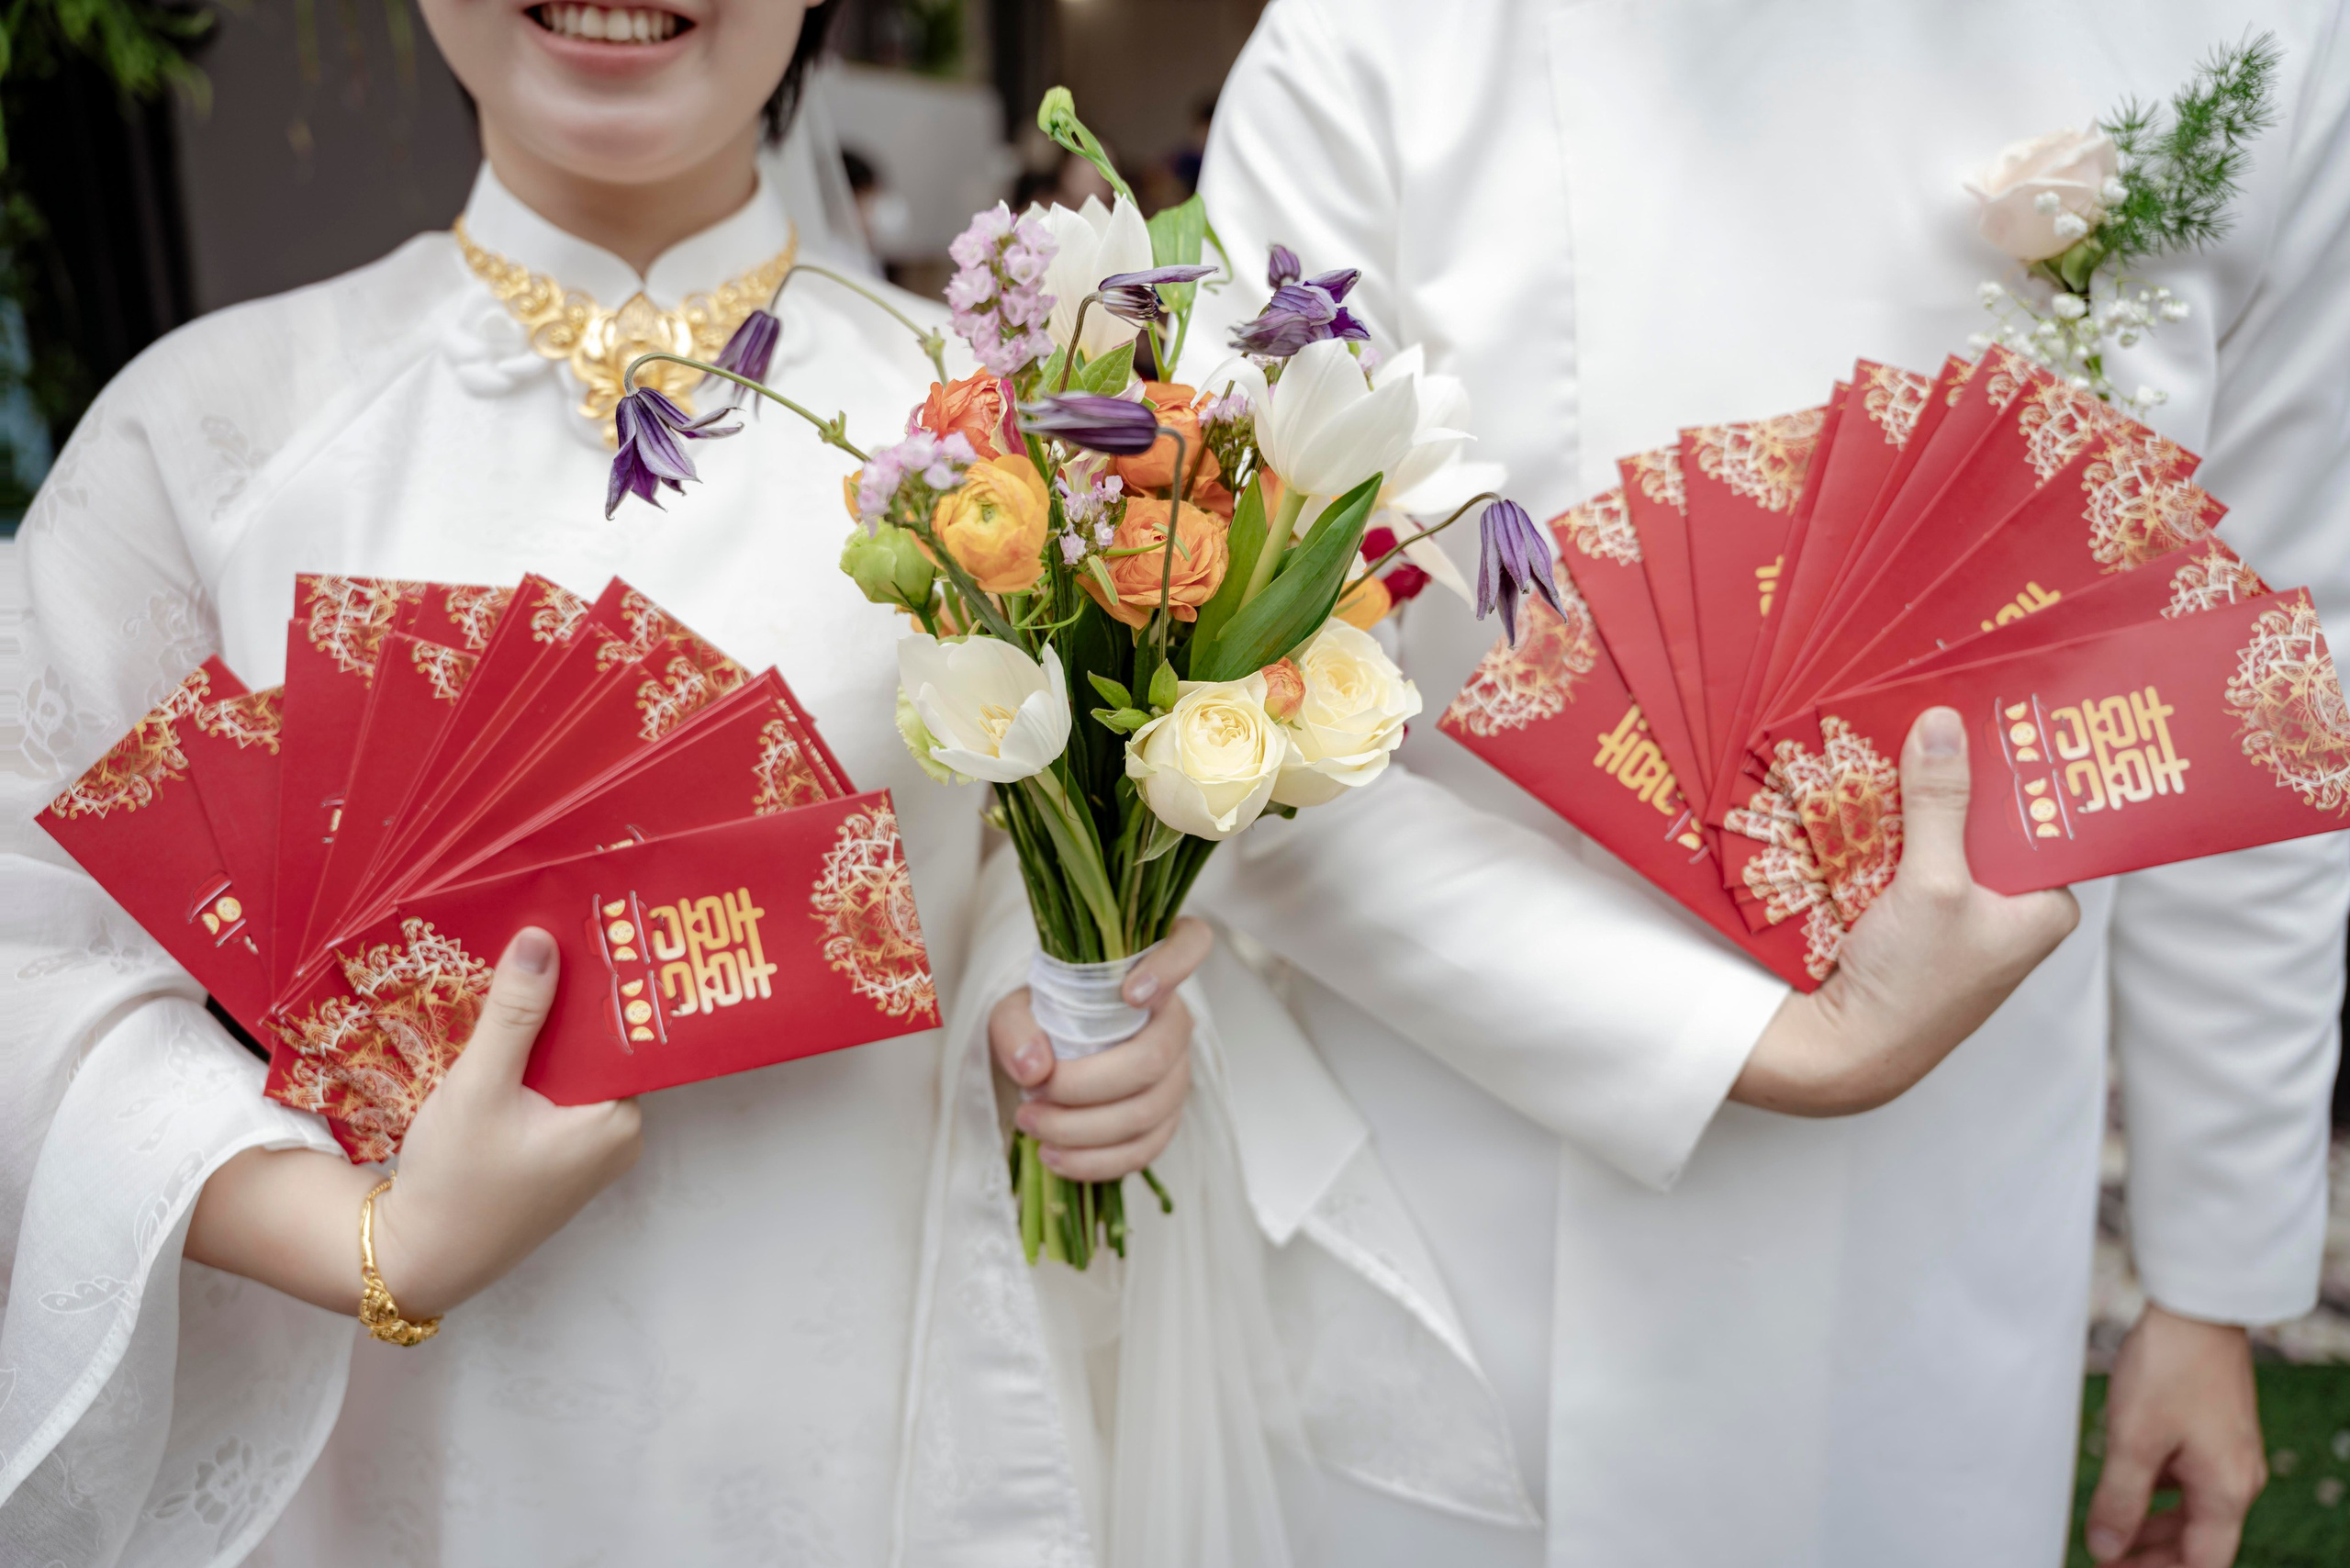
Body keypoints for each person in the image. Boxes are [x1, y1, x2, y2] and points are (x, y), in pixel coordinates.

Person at [0, 3, 1216, 1562]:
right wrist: (368, 1241)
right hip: (411, 1465)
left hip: (886, 1408)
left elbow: (1028, 871)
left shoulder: (995, 432)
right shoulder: (207, 432)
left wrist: (1067, 1024)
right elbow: (30, 948)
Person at [1186, 3, 2350, 1566]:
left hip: (1946, 1192)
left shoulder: (2255, 40)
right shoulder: (1377, 45)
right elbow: (1213, 703)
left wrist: (2213, 1276)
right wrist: (1754, 1043)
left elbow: (2262, 680)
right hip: (1460, 1146)